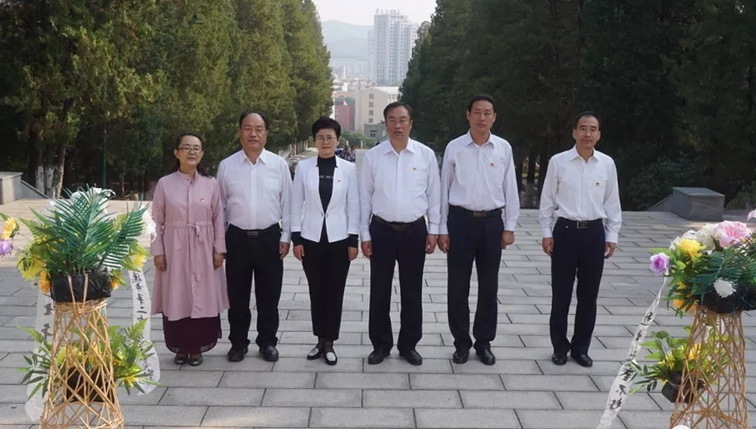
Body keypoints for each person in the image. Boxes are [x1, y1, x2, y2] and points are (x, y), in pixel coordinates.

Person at [437, 94, 520, 366]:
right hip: (460, 222)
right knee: (457, 286)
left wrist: (509, 226)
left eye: (487, 113)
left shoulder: (503, 148)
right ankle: (461, 342)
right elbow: (444, 188)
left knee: (488, 286)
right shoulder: (455, 147)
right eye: (477, 112)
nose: (482, 118)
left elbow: (510, 188)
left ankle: (484, 342)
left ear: (494, 117)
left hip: (492, 223)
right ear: (468, 115)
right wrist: (442, 228)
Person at [359, 101, 441, 366]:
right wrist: (364, 234)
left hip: (414, 230)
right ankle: (381, 345)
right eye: (392, 120)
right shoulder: (373, 156)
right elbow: (364, 197)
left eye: (402, 120)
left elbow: (434, 195)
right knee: (379, 290)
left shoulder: (425, 155)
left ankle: (409, 345)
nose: (397, 125)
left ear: (411, 123)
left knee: (412, 290)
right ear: (385, 124)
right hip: (381, 230)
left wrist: (434, 230)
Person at [539, 112, 622, 368]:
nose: (588, 134)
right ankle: (559, 347)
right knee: (561, 294)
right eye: (583, 128)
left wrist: (612, 235)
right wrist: (546, 232)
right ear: (574, 132)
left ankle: (581, 348)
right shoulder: (559, 162)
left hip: (594, 233)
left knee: (588, 295)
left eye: (593, 129)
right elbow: (547, 200)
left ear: (599, 134)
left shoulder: (606, 164)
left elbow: (612, 202)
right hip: (565, 231)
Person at [217, 112, 292, 363]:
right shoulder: (227, 166)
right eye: (248, 128)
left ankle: (267, 342)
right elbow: (220, 207)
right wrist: (220, 241)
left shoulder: (278, 165)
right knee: (237, 296)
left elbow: (287, 203)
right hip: (237, 238)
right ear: (239, 132)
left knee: (269, 296)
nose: (253, 134)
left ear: (266, 134)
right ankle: (238, 343)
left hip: (269, 238)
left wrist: (286, 236)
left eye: (259, 129)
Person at [151, 132, 228, 367]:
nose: (191, 152)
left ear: (202, 153)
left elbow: (218, 218)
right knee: (177, 295)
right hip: (174, 249)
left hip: (204, 249)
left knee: (203, 295)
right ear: (177, 153)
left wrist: (219, 249)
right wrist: (158, 251)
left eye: (196, 148)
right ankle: (180, 346)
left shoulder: (211, 183)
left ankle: (197, 347)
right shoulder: (164, 184)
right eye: (186, 147)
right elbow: (155, 220)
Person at [291, 117, 360, 366]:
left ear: (338, 140)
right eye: (320, 137)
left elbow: (354, 204)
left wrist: (353, 239)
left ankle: (330, 341)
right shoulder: (304, 168)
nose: (325, 142)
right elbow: (296, 203)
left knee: (334, 291)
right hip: (311, 238)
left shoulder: (348, 169)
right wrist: (296, 237)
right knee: (316, 290)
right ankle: (319, 339)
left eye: (330, 137)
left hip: (339, 239)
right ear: (314, 140)